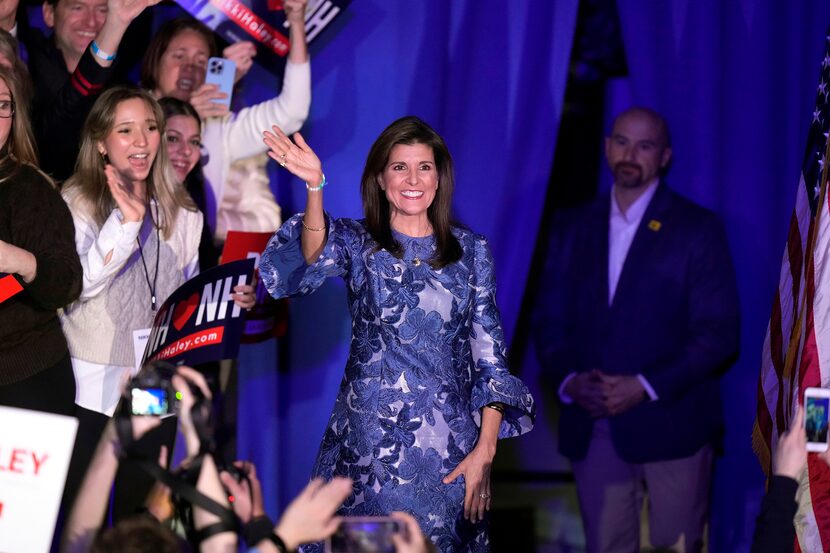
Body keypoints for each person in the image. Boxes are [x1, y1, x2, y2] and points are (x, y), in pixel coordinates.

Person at [259, 116, 536, 552]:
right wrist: (316, 186)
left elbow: (491, 359)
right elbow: (311, 254)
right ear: (380, 179)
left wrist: (485, 452)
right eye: (399, 167)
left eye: (424, 167)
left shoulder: (472, 252)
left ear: (440, 177)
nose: (413, 179)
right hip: (371, 452)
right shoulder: (357, 241)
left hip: (452, 452)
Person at [533, 107, 740, 553]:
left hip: (674, 421)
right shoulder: (571, 227)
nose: (631, 154)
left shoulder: (697, 229)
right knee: (607, 546)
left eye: (645, 146)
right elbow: (548, 320)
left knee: (676, 546)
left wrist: (644, 385)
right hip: (596, 423)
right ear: (607, 148)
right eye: (623, 141)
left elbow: (718, 332)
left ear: (664, 157)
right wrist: (570, 381)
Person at [140, 0, 309, 242]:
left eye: (201, 61)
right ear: (155, 62)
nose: (190, 67)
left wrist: (296, 22)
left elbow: (292, 112)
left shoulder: (219, 127)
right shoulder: (129, 111)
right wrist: (190, 115)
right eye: (179, 56)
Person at [0, 63, 82, 414]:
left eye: (3, 105)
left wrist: (20, 261)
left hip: (27, 382)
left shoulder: (27, 188)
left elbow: (67, 283)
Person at [20, 0, 156, 182]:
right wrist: (115, 25)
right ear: (49, 13)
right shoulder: (24, 71)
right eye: (78, 7)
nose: (90, 22)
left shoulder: (123, 88)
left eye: (102, 9)